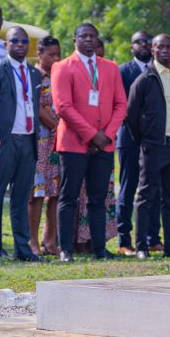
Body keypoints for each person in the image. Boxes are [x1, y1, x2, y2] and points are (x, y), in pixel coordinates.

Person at [52, 23, 126, 261]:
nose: (88, 40)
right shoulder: (62, 67)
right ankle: (66, 250)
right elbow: (63, 107)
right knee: (69, 197)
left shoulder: (110, 67)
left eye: (92, 36)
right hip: (74, 143)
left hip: (104, 144)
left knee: (98, 198)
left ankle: (99, 249)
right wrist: (92, 134)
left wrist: (107, 134)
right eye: (83, 36)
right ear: (74, 40)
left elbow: (121, 104)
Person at [124, 34, 170, 258]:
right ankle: (142, 247)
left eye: (169, 47)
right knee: (146, 197)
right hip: (153, 147)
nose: (165, 50)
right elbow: (131, 115)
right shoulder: (145, 79)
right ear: (152, 50)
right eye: (160, 47)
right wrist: (145, 140)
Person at [0, 26, 41, 263]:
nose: (20, 45)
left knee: (21, 198)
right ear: (6, 44)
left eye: (24, 41)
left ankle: (23, 249)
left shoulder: (34, 74)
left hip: (28, 140)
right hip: (4, 141)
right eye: (14, 40)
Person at [115, 30, 153, 255]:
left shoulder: (158, 70)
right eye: (139, 42)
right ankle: (124, 240)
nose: (144, 45)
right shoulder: (123, 71)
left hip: (153, 140)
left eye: (148, 41)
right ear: (132, 46)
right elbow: (121, 106)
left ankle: (152, 238)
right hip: (129, 138)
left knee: (152, 189)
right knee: (128, 189)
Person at [29, 36, 63, 257]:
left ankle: (50, 240)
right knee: (37, 192)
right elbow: (36, 105)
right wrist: (56, 126)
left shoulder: (61, 74)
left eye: (58, 54)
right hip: (40, 139)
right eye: (51, 55)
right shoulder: (34, 75)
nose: (56, 58)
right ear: (39, 54)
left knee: (56, 192)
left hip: (59, 142)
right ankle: (32, 241)